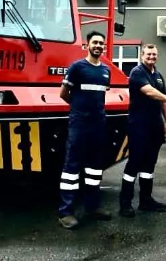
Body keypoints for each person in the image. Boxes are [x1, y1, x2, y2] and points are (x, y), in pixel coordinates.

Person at [57, 31, 113, 230]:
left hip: (98, 125)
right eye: (94, 42)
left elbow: (100, 97)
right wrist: (79, 110)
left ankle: (92, 207)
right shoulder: (77, 67)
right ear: (87, 45)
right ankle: (65, 212)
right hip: (79, 125)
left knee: (95, 168)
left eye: (101, 43)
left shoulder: (106, 71)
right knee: (72, 168)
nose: (98, 46)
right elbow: (63, 93)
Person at [119, 43, 166, 218]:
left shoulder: (158, 75)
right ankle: (125, 204)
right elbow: (150, 92)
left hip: (155, 126)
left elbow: (162, 101)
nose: (151, 57)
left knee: (149, 164)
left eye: (154, 54)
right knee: (134, 163)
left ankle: (145, 201)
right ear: (142, 56)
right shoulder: (137, 72)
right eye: (148, 54)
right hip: (139, 126)